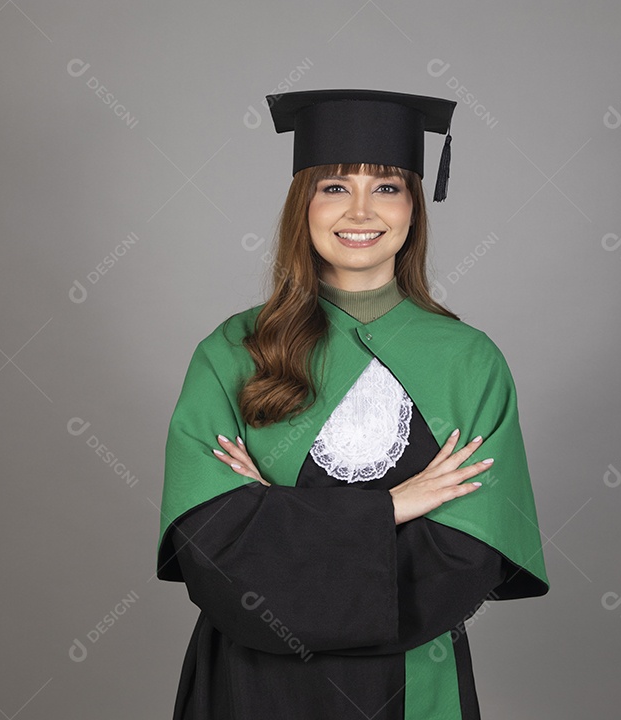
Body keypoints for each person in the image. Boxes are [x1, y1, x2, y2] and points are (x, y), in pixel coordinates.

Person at [157, 89, 549, 719]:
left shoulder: (468, 362)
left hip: (411, 681)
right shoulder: (232, 351)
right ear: (302, 206)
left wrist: (275, 514)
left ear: (415, 208)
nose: (361, 210)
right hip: (250, 686)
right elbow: (213, 548)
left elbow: (467, 557)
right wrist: (392, 508)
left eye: (388, 188)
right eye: (334, 187)